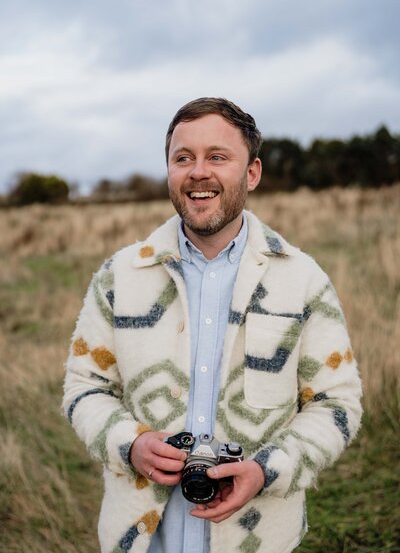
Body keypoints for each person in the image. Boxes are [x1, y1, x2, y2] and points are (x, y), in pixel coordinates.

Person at [63, 97, 362, 553]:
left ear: (252, 173)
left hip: (260, 540)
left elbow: (336, 403)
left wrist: (267, 471)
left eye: (217, 157)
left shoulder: (303, 280)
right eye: (183, 158)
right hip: (142, 542)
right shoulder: (118, 276)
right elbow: (85, 387)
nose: (198, 172)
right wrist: (130, 444)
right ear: (169, 171)